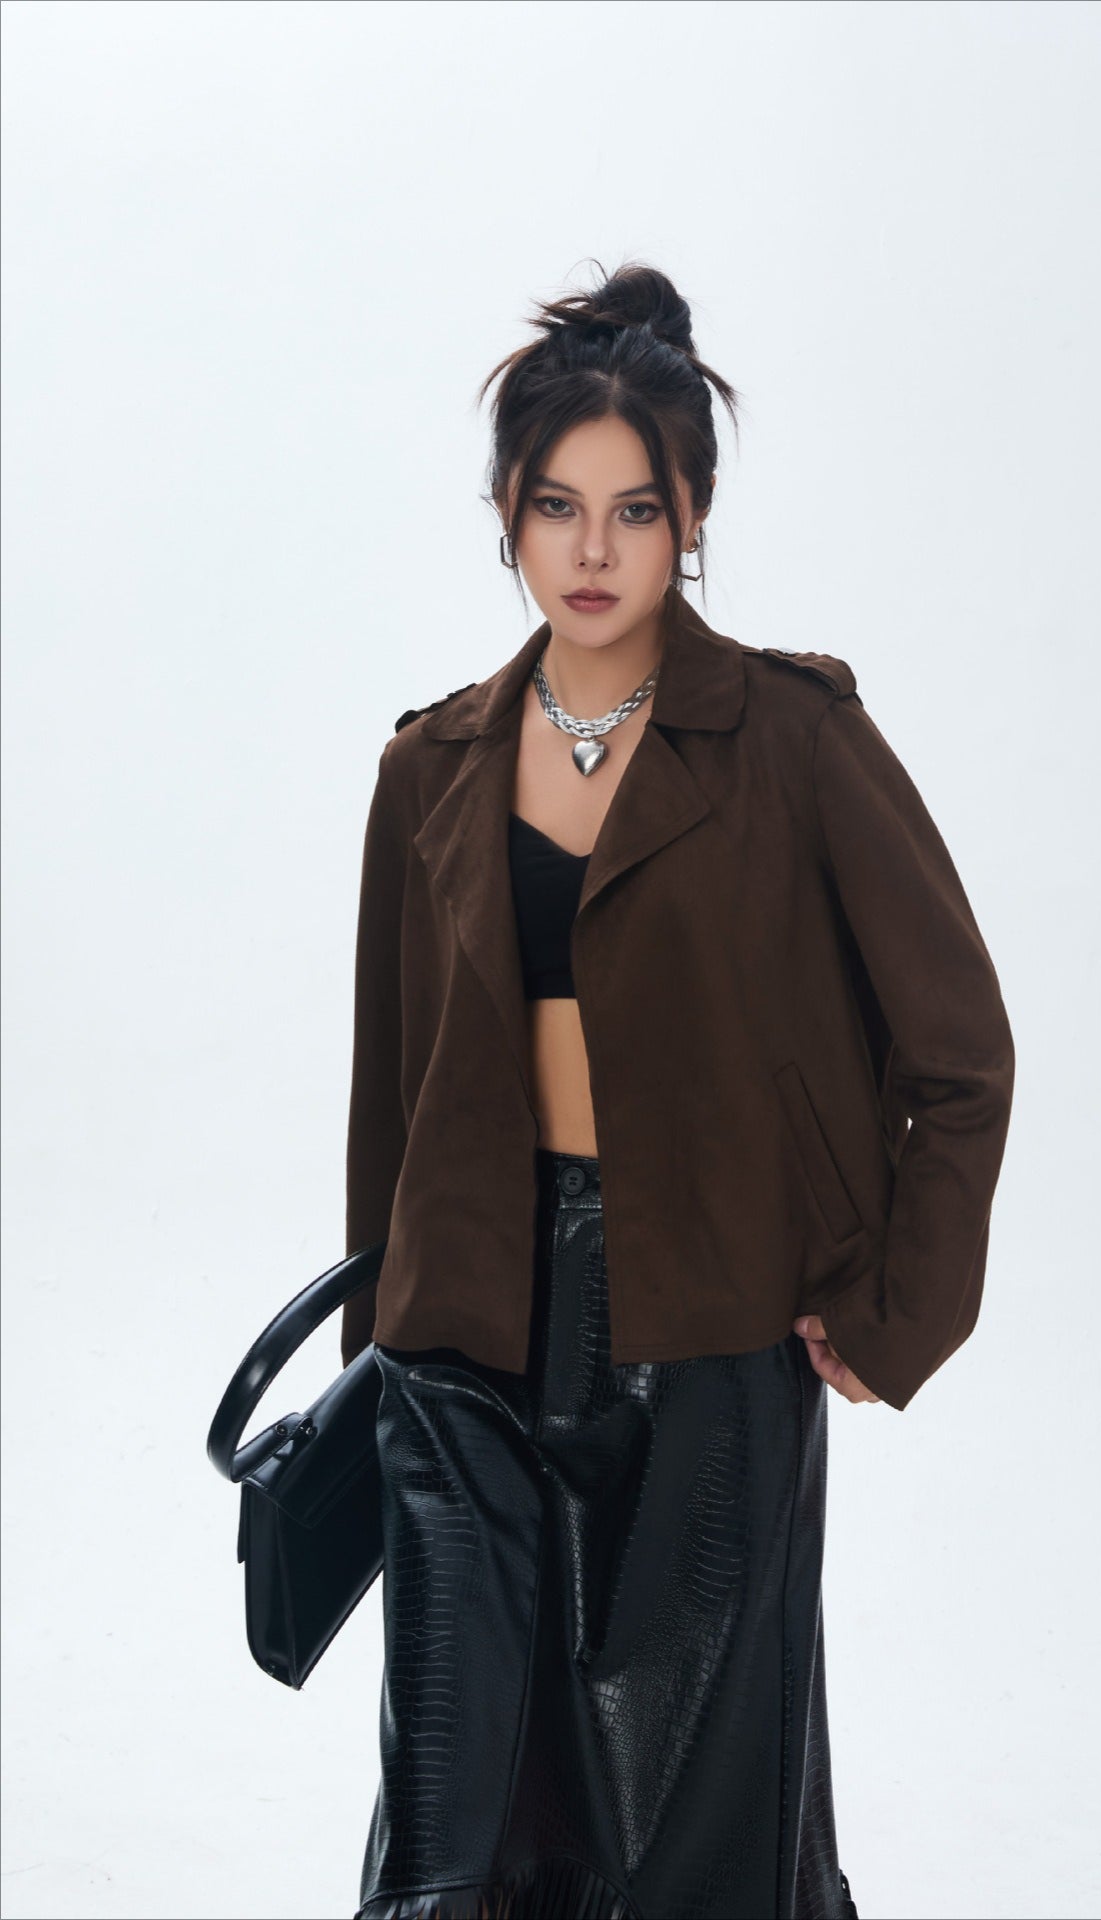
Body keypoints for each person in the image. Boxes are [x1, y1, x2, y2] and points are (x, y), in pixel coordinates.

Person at [342, 260, 1015, 1920]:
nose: (594, 551)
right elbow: (391, 1095)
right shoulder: (430, 765)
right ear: (507, 515)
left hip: (714, 1323)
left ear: (691, 518)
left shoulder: (791, 736)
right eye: (555, 507)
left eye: (634, 511)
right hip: (468, 1332)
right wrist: (375, 1354)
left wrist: (895, 1312)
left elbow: (958, 1050)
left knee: (693, 1819)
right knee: (458, 1821)